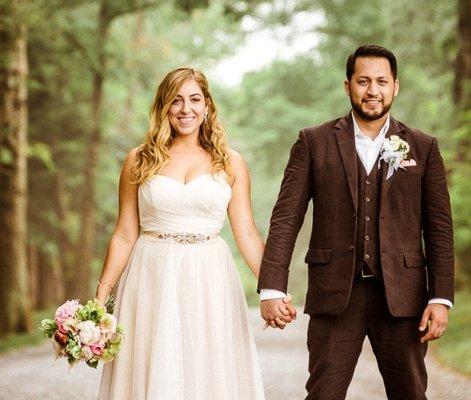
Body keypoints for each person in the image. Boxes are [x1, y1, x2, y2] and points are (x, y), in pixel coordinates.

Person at [258, 45, 454, 399]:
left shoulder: (423, 147)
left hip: (403, 299)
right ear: (347, 85)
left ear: (396, 86)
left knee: (410, 394)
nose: (372, 90)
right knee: (323, 394)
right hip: (335, 296)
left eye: (381, 81)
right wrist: (272, 286)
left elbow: (439, 229)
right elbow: (286, 217)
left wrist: (440, 297)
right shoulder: (313, 141)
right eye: (363, 81)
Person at [96, 67, 295, 400]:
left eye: (194, 99)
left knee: (207, 370)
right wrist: (102, 295)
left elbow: (246, 232)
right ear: (164, 107)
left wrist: (273, 289)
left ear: (207, 106)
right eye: (176, 101)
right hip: (150, 275)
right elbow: (124, 233)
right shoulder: (138, 160)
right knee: (150, 367)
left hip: (209, 277)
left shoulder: (230, 162)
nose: (185, 109)